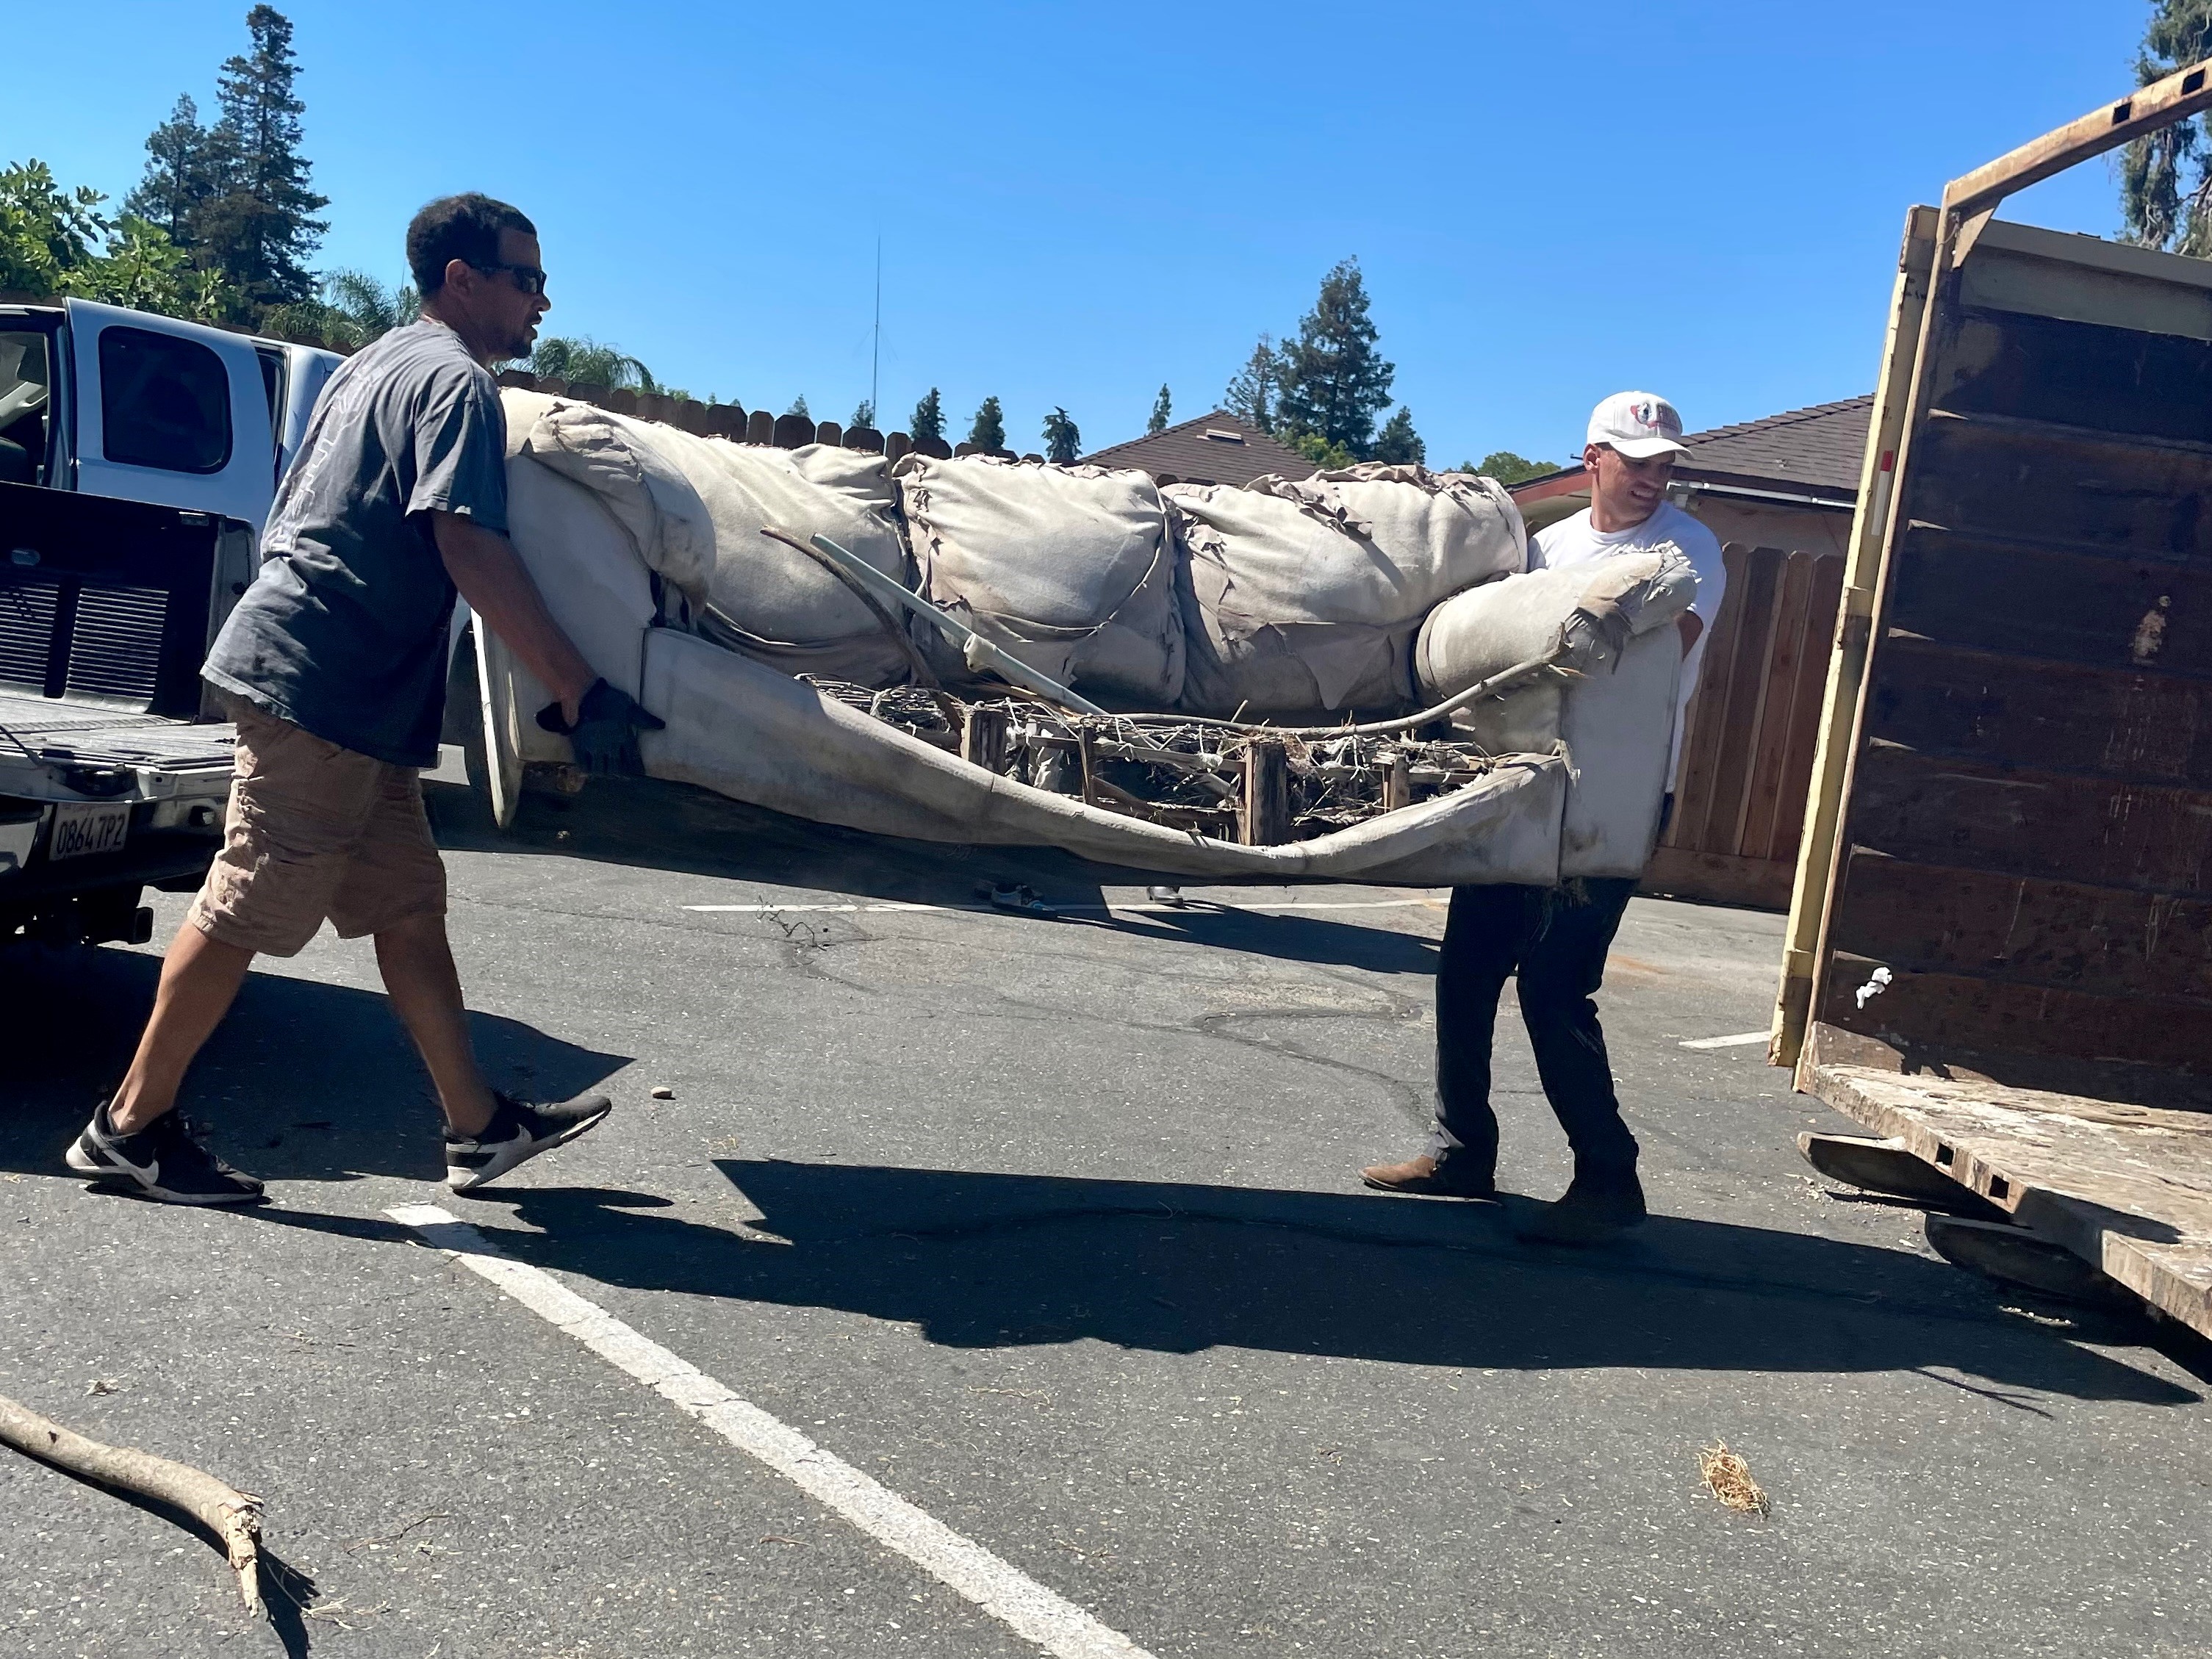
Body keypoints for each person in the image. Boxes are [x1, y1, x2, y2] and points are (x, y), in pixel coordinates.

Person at [66, 194, 662, 1206]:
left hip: (342, 692)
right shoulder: (455, 385)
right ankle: (129, 1127)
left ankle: (475, 1128)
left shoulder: (373, 364)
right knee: (246, 899)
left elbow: (298, 508)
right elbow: (466, 540)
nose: (542, 302)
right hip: (321, 688)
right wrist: (579, 686)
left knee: (404, 903)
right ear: (463, 280)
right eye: (526, 279)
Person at [1360, 392, 1726, 1244]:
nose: (1651, 477)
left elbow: (1662, 635)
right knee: (1468, 965)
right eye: (1635, 461)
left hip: (1613, 795)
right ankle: (1462, 1151)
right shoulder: (1546, 548)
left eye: (1664, 462)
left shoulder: (1688, 546)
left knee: (1557, 981)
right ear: (1591, 457)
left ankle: (1607, 1177)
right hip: (1524, 782)